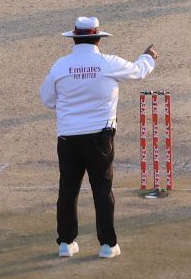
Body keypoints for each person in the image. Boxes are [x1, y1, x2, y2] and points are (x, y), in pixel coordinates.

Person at [39, 16, 156, 259]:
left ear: (74, 39)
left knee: (68, 190)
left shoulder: (60, 66)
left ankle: (66, 243)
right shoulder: (107, 63)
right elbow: (138, 71)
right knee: (102, 190)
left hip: (68, 138)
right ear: (98, 39)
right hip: (99, 138)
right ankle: (108, 245)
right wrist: (148, 56)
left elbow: (48, 100)